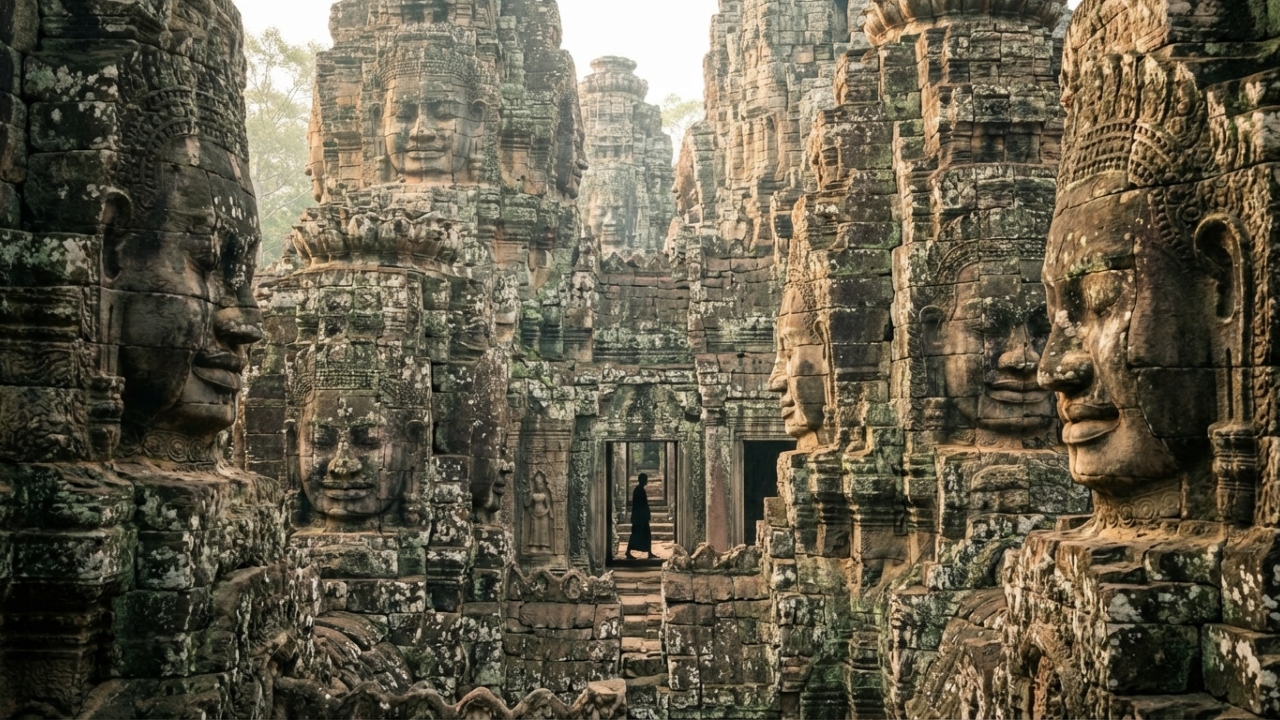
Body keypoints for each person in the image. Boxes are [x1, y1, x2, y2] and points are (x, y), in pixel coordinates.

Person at [625, 473, 652, 559]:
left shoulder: (638, 490)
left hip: (639, 517)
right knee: (637, 535)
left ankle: (649, 552)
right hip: (640, 517)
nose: (647, 481)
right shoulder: (639, 490)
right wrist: (646, 514)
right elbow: (641, 505)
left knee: (644, 534)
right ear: (643, 480)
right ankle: (628, 551)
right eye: (646, 479)